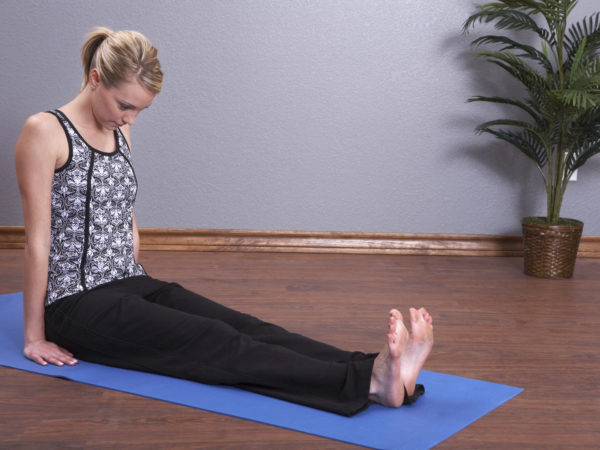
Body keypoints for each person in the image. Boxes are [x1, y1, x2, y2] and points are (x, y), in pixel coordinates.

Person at [14, 27, 434, 417]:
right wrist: (35, 336)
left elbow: (123, 211)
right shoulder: (45, 131)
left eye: (140, 110)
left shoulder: (120, 130)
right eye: (125, 106)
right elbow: (37, 242)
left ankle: (376, 367)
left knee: (243, 325)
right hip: (73, 303)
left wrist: (138, 286)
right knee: (216, 342)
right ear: (95, 78)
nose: (130, 119)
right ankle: (370, 384)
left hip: (128, 281)